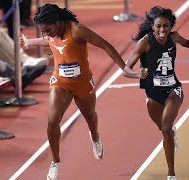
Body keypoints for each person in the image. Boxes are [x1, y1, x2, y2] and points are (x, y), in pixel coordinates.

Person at [20, 3, 125, 180]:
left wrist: (125, 68)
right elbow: (48, 40)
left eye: (48, 29)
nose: (46, 33)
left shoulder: (77, 30)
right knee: (52, 121)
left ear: (59, 21)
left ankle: (95, 137)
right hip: (60, 82)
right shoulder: (51, 32)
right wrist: (30, 41)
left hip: (82, 82)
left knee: (90, 116)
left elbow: (106, 45)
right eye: (42, 30)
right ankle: (55, 161)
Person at [123, 6, 189, 180]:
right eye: (159, 26)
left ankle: (171, 174)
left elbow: (188, 43)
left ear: (171, 26)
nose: (163, 30)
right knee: (163, 129)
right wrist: (137, 74)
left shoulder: (174, 37)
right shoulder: (145, 42)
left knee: (166, 128)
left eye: (166, 26)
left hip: (173, 89)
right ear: (152, 27)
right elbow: (126, 69)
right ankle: (170, 133)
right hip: (152, 92)